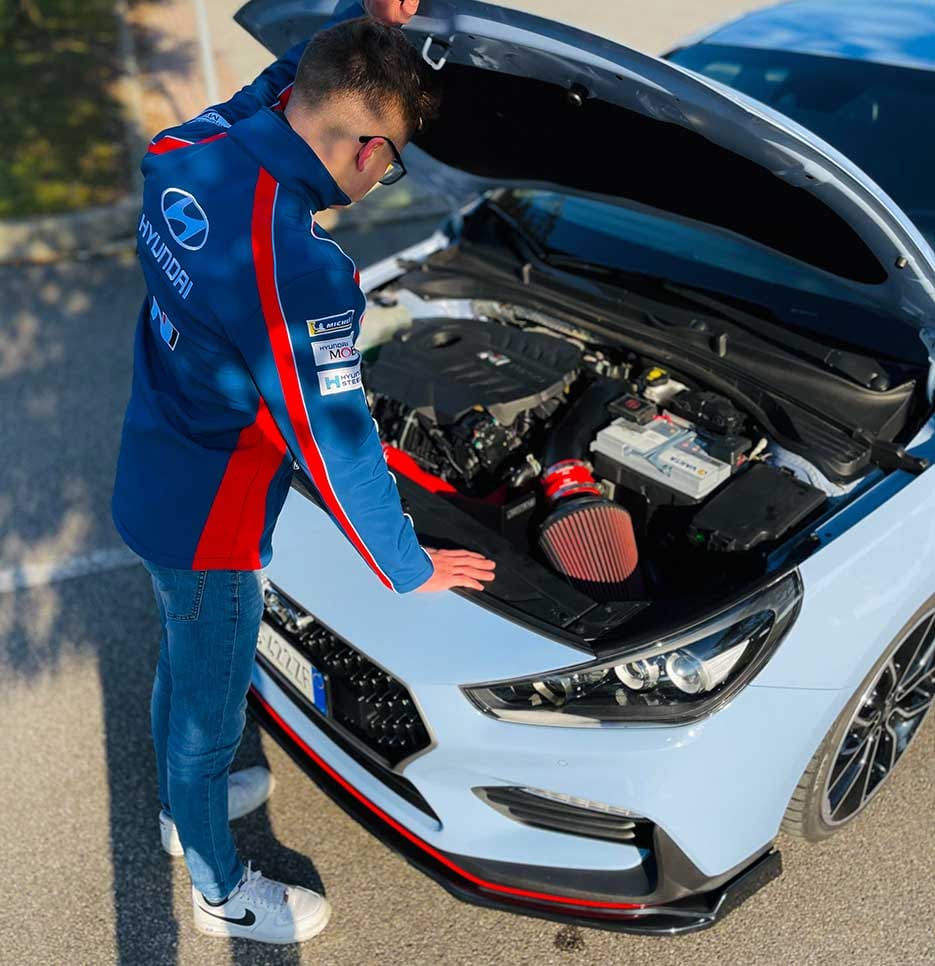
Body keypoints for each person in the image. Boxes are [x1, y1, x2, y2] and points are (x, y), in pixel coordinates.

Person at [111, 0, 495, 945]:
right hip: (212, 522)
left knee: (182, 657)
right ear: (367, 150)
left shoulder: (189, 148)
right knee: (208, 710)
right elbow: (338, 441)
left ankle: (179, 800)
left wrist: (357, 20)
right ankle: (217, 885)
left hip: (152, 462)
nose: (386, 171)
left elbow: (283, 85)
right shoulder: (294, 263)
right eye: (393, 152)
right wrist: (407, 566)